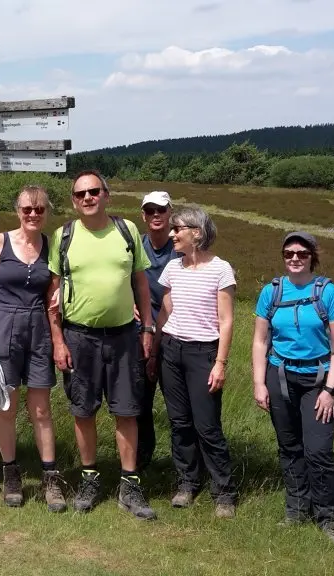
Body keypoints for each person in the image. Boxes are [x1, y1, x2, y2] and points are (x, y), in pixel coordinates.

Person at [46, 169, 157, 520]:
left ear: (107, 195)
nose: (88, 198)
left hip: (124, 335)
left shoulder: (126, 232)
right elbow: (52, 294)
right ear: (73, 201)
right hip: (79, 337)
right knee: (83, 411)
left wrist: (148, 328)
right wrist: (58, 341)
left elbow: (141, 282)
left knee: (127, 410)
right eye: (80, 194)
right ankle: (90, 478)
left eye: (94, 191)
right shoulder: (62, 236)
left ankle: (130, 484)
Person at [251, 231, 334, 545]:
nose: (295, 258)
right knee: (289, 447)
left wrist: (330, 389)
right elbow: (260, 340)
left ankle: (329, 517)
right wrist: (258, 383)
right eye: (289, 253)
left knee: (318, 451)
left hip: (319, 381)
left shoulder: (328, 292)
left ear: (312, 257)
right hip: (279, 376)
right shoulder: (271, 292)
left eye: (302, 253)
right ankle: (296, 510)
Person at [0, 185, 66, 512]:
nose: (33, 214)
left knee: (41, 409)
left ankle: (50, 477)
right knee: (7, 406)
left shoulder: (51, 246)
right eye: (27, 209)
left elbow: (53, 297)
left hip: (38, 328)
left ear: (46, 213)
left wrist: (58, 340)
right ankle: (11, 472)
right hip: (2, 327)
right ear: (18, 211)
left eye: (39, 209)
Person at [156, 205, 239, 518]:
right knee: (180, 424)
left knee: (207, 426)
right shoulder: (173, 268)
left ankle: (223, 493)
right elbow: (166, 310)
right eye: (173, 229)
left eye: (179, 229)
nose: (173, 234)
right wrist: (156, 345)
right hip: (171, 352)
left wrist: (220, 363)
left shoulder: (221, 269)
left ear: (198, 233)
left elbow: (226, 321)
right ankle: (188, 483)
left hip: (203, 353)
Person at [135, 190, 180, 472]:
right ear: (143, 215)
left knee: (178, 407)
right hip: (142, 335)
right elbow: (122, 279)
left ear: (169, 213)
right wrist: (129, 304)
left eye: (160, 210)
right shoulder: (136, 247)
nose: (155, 215)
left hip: (175, 335)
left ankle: (184, 465)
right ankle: (141, 459)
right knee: (140, 403)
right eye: (149, 210)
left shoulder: (181, 248)